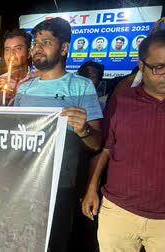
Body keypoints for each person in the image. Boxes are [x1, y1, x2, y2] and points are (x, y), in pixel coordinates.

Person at [13, 17, 102, 251]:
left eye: (45, 42)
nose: (37, 48)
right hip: (23, 182)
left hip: (60, 187)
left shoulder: (81, 86)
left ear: (64, 48)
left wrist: (83, 130)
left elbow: (97, 144)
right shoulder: (24, 89)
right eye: (35, 43)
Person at [81, 30, 165, 252]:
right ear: (141, 65)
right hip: (118, 213)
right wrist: (92, 189)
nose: (164, 74)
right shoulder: (121, 101)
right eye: (158, 67)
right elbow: (106, 148)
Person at [0, 28, 35, 105]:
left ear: (28, 53)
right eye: (7, 49)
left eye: (18, 49)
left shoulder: (37, 81)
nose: (11, 54)